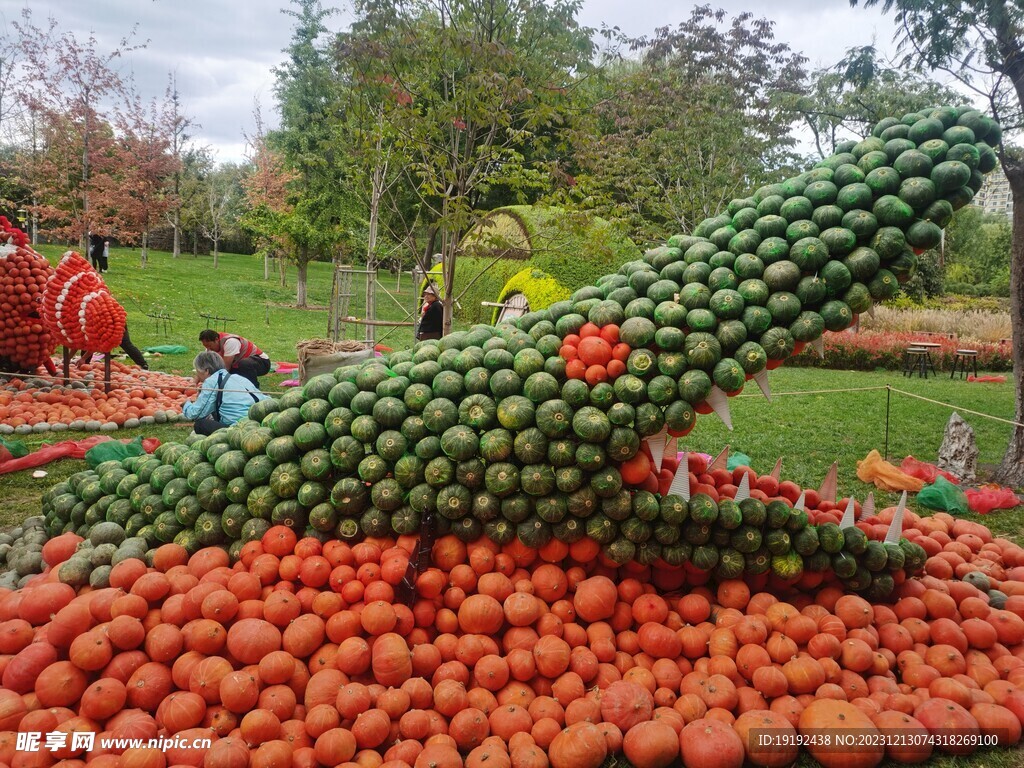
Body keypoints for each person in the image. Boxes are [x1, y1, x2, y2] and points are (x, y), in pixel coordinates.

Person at [182, 350, 267, 435]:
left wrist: (186, 405)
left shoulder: (212, 381)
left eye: (198, 371)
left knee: (200, 425)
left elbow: (197, 413)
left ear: (207, 371)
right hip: (258, 422)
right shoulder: (237, 377)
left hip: (241, 429)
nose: (198, 375)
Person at [198, 329, 271, 387]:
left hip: (262, 363)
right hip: (238, 364)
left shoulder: (231, 342)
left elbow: (226, 368)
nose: (208, 349)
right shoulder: (209, 348)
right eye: (205, 346)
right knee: (232, 377)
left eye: (210, 345)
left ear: (216, 339)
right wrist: (196, 381)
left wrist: (214, 383)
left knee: (244, 363)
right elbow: (206, 367)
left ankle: (253, 389)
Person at [76, 325, 149, 370]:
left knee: (125, 343)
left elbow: (95, 344)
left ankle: (143, 365)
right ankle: (85, 364)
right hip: (105, 320)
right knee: (87, 342)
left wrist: (83, 358)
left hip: (116, 322)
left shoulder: (96, 324)